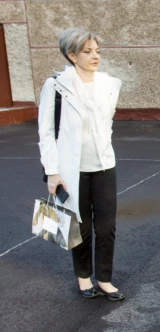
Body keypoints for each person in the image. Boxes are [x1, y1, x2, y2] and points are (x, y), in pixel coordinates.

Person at [38, 28, 124, 300]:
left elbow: (106, 124)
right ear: (72, 55)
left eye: (97, 50)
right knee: (81, 226)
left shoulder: (109, 84)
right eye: (87, 51)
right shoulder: (55, 86)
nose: (95, 55)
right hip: (71, 169)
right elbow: (46, 133)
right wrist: (52, 172)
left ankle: (105, 279)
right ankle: (84, 278)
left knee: (106, 226)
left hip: (104, 166)